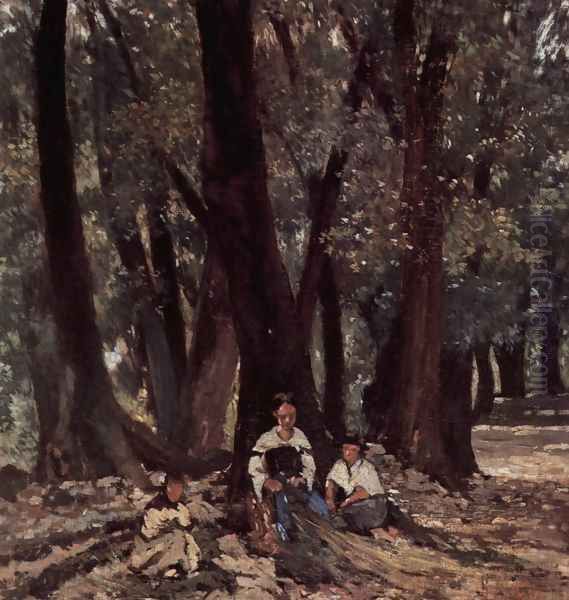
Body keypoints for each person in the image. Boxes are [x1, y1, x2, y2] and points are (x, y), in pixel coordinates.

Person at [248, 393, 329, 542]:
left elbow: (309, 464)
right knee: (281, 500)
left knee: (320, 507)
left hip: (296, 480)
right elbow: (254, 467)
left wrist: (303, 478)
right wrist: (266, 481)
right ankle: (286, 534)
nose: (288, 420)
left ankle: (324, 533)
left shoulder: (300, 437)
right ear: (275, 415)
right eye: (283, 416)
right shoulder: (267, 439)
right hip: (276, 482)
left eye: (292, 416)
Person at [130, 472, 201, 578]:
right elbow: (147, 534)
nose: (176, 492)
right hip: (149, 549)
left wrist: (184, 523)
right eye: (172, 487)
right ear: (166, 488)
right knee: (177, 536)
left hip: (170, 545)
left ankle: (180, 567)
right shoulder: (156, 507)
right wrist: (168, 527)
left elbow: (187, 525)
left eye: (179, 488)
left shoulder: (180, 507)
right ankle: (159, 569)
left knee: (184, 537)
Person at [325, 435, 398, 539]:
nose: (347, 453)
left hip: (373, 505)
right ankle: (375, 531)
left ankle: (377, 530)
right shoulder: (339, 464)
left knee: (345, 517)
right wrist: (329, 498)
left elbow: (362, 493)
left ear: (358, 451)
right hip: (354, 504)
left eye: (353, 450)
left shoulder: (366, 467)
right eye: (345, 448)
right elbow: (331, 481)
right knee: (338, 518)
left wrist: (344, 504)